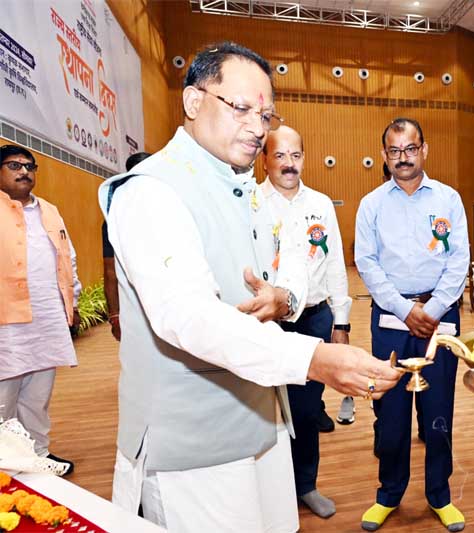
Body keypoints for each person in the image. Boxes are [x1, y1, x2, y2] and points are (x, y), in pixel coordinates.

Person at [98, 41, 400, 533]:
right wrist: (316, 359)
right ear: (194, 102)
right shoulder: (151, 191)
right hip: (194, 450)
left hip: (263, 423)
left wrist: (285, 298)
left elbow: (294, 259)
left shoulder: (240, 189)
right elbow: (187, 316)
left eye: (266, 114)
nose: (258, 127)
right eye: (241, 108)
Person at [355, 118, 469, 532]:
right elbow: (366, 263)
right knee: (391, 412)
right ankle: (388, 493)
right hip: (390, 318)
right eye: (394, 151)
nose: (403, 158)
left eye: (410, 148)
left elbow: (459, 260)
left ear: (425, 149)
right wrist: (405, 311)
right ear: (385, 156)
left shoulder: (449, 200)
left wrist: (434, 309)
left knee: (438, 411)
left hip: (441, 319)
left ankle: (440, 494)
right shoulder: (372, 205)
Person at [261, 125, 353, 517]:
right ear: (264, 158)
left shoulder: (320, 204)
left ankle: (306, 486)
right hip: (266, 324)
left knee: (306, 408)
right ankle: (268, 493)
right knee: (263, 411)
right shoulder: (250, 204)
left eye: (295, 155)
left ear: (304, 158)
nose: (288, 164)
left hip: (315, 319)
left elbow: (334, 263)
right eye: (279, 155)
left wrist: (341, 320)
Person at [0, 144, 81, 475]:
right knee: (3, 397)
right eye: (14, 165)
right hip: (7, 321)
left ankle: (38, 454)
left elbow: (68, 257)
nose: (24, 172)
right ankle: (6, 462)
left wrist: (71, 304)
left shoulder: (49, 210)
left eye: (30, 166)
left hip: (47, 319)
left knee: (37, 396)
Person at [102, 151, 151, 341]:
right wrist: (115, 316)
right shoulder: (113, 217)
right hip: (134, 309)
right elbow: (110, 270)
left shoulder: (174, 208)